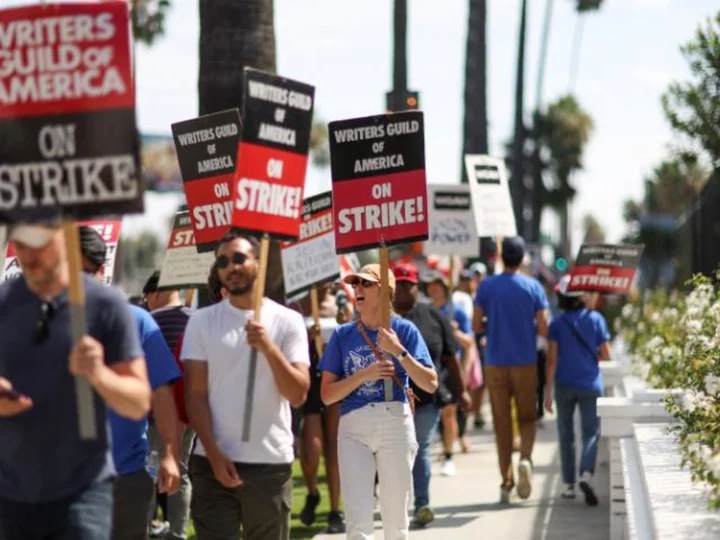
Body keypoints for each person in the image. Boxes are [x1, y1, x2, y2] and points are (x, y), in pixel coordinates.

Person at [0, 220, 151, 540]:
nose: (28, 255)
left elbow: (138, 403)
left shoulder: (105, 305)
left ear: (63, 235)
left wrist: (99, 374)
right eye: (20, 244)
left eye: (37, 244)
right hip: (10, 495)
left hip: (81, 492)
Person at [182, 232, 311, 540]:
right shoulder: (201, 321)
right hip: (211, 463)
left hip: (269, 466)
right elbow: (195, 395)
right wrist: (213, 454)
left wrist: (268, 348)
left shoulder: (288, 321)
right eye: (222, 262)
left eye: (238, 258)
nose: (231, 267)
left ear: (258, 262)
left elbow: (298, 394)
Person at [319, 264, 438, 540]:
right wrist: (365, 375)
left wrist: (399, 352)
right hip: (353, 427)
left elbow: (430, 383)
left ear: (385, 291)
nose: (357, 288)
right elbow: (327, 395)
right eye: (355, 283)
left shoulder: (404, 330)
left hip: (394, 421)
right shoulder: (341, 335)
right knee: (357, 522)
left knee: (396, 520)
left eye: (365, 284)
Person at [78, 226, 182, 540]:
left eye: (84, 272)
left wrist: (170, 454)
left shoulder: (137, 321)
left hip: (124, 478)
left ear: (100, 271)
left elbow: (161, 393)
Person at [473, 237, 549, 503]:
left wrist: (490, 326)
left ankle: (506, 482)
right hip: (525, 362)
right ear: (522, 259)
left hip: (495, 361)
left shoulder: (486, 286)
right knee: (528, 417)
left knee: (502, 423)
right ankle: (525, 458)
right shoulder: (534, 287)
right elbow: (543, 327)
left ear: (502, 257)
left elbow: (476, 324)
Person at [392, 262, 463, 528]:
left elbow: (450, 357)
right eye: (396, 284)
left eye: (406, 285)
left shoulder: (433, 316)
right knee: (396, 452)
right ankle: (394, 502)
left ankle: (422, 503)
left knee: (420, 447)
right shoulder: (380, 319)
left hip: (425, 398)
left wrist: (462, 391)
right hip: (389, 400)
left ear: (416, 288)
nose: (401, 290)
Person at [545, 276, 611, 506]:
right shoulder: (596, 319)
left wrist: (547, 393)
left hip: (564, 384)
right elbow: (606, 354)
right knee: (590, 432)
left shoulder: (556, 324)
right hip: (591, 384)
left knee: (566, 435)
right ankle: (586, 473)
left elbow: (551, 360)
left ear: (562, 298)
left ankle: (569, 485)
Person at [288, 285, 346, 534]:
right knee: (312, 447)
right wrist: (306, 335)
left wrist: (346, 322)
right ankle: (312, 491)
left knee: (334, 446)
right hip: (310, 378)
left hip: (335, 376)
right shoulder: (296, 304)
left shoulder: (342, 301)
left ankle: (336, 510)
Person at [142, 271, 194, 540]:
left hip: (152, 414)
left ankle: (145, 530)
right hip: (188, 411)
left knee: (148, 474)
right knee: (181, 472)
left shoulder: (147, 323)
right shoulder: (195, 321)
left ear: (155, 292)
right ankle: (178, 533)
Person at [424, 270, 474, 470]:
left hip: (449, 366)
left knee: (449, 411)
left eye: (437, 285)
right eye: (431, 285)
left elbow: (469, 342)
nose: (433, 289)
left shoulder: (457, 312)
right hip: (428, 366)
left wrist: (455, 332)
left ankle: (448, 456)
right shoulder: (423, 311)